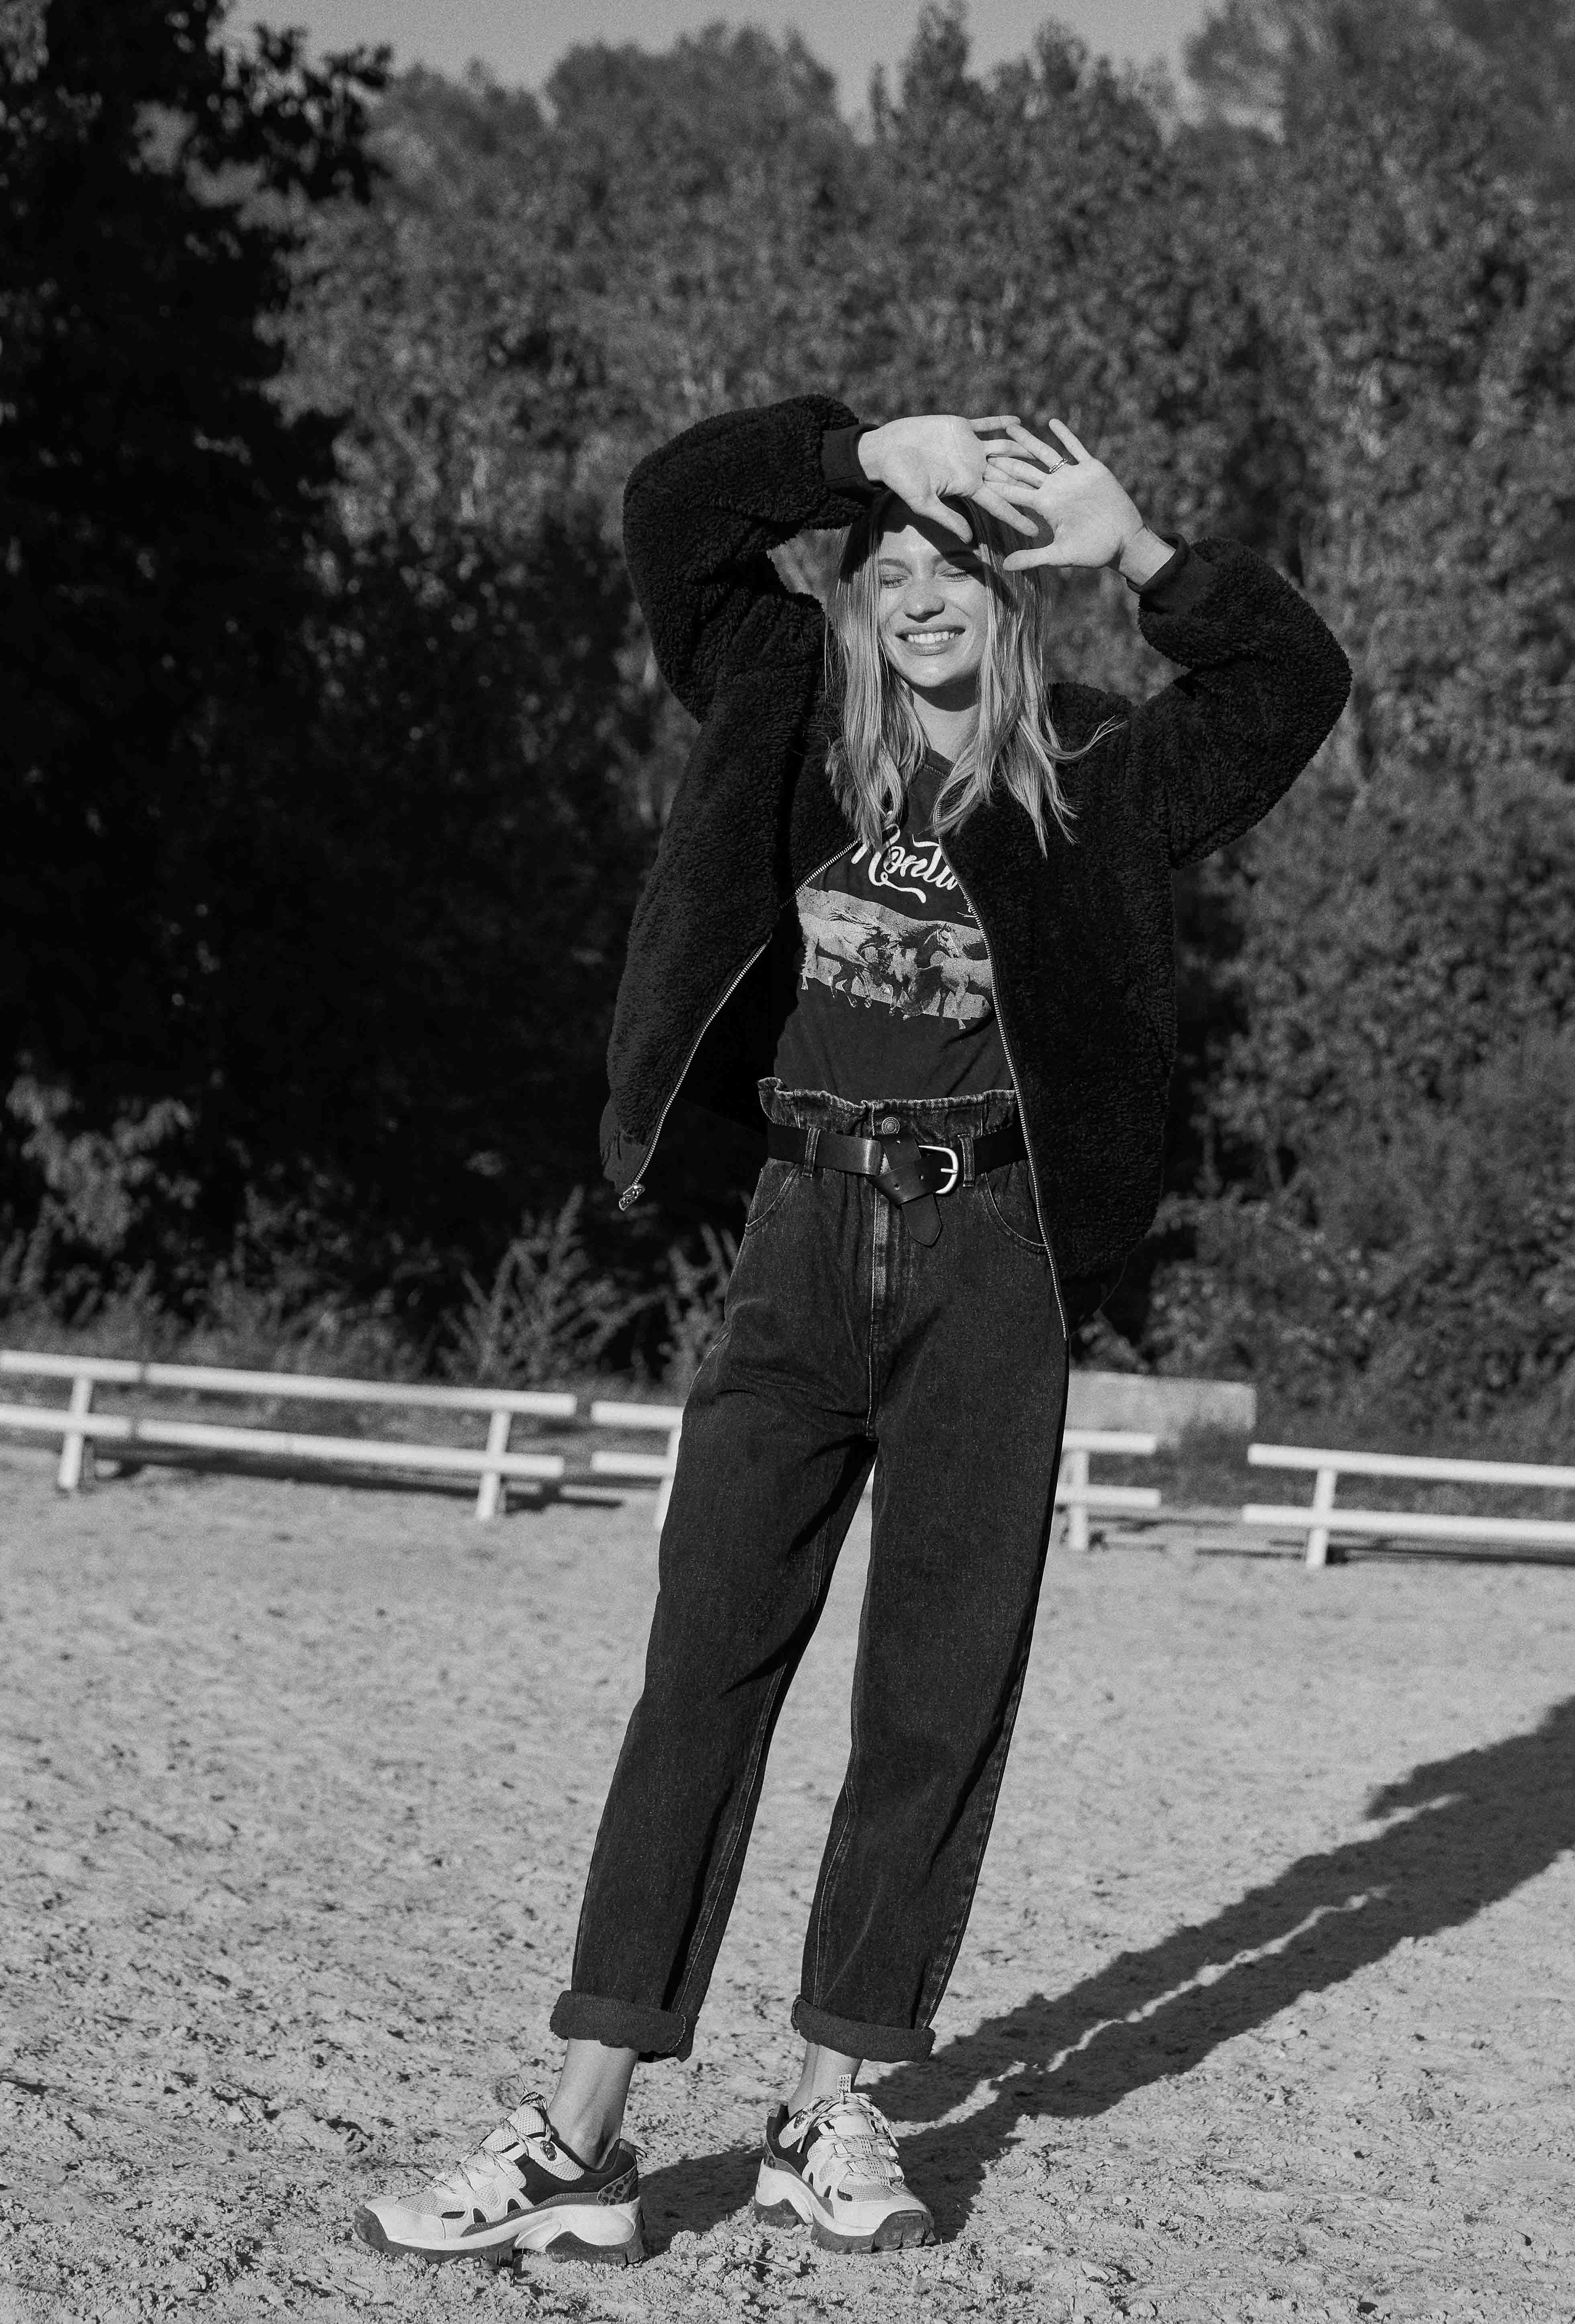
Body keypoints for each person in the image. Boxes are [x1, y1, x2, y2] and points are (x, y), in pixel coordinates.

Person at [357, 399, 1350, 2269]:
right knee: (700, 1676)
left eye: (953, 567)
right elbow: (671, 512)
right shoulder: (787, 718)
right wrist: (862, 454)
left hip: (992, 1262)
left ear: (1011, 598)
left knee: (931, 1701)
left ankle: (831, 2108)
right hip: (796, 1242)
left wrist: (1140, 549)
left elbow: (1290, 681)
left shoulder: (1102, 784)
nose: (917, 593)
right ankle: (577, 2135)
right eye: (889, 568)